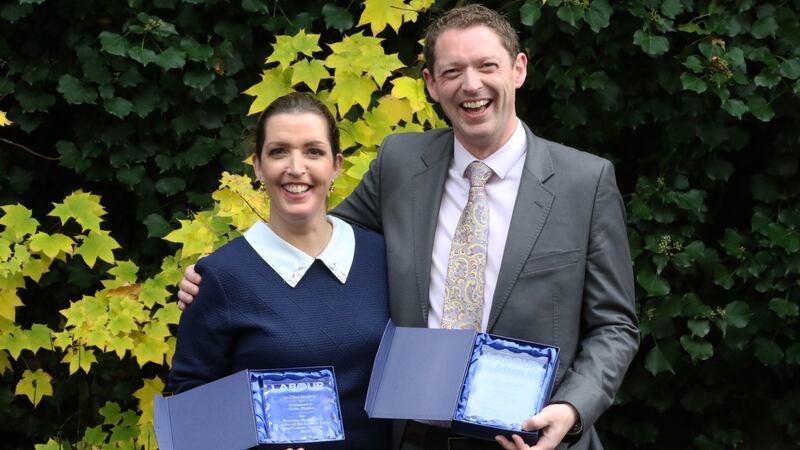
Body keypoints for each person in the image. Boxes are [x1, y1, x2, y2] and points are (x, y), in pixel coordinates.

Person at [179, 5, 639, 450]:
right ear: (432, 84)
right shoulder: (400, 163)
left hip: (529, 439)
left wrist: (573, 409)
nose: (471, 84)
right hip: (413, 438)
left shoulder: (585, 182)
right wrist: (224, 274)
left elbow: (615, 325)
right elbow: (319, 234)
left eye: (487, 65)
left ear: (518, 69)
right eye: (453, 71)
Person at [168, 92, 391, 450]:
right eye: (279, 151)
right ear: (257, 166)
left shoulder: (380, 256)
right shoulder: (222, 278)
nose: (296, 167)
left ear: (336, 164)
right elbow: (190, 404)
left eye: (313, 151)